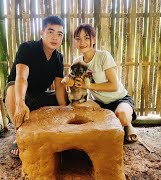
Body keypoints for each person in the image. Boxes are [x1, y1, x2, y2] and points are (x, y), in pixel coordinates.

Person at [4, 15, 68, 158]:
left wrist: (65, 110)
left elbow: (58, 87)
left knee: (65, 99)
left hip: (39, 97)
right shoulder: (27, 48)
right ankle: (19, 135)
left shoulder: (58, 57)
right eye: (50, 31)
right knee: (12, 88)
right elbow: (21, 77)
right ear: (42, 32)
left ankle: (50, 130)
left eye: (59, 34)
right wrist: (20, 102)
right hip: (21, 94)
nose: (55, 37)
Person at [66, 23, 138, 143]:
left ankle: (128, 125)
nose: (82, 42)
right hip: (99, 103)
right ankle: (109, 124)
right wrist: (70, 82)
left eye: (86, 38)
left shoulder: (103, 56)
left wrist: (88, 85)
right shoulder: (77, 61)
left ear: (93, 39)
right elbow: (76, 84)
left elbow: (114, 86)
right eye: (78, 39)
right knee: (76, 106)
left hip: (120, 99)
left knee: (122, 116)